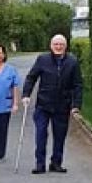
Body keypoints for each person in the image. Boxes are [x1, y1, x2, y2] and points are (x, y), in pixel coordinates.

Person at [21, 34, 83, 174]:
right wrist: (26, 95)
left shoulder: (72, 62)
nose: (58, 47)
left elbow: (78, 85)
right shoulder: (43, 59)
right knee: (41, 134)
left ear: (65, 46)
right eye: (56, 44)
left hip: (62, 105)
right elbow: (31, 78)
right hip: (43, 104)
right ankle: (40, 164)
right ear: (51, 46)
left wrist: (76, 105)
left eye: (61, 44)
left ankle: (56, 163)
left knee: (60, 135)